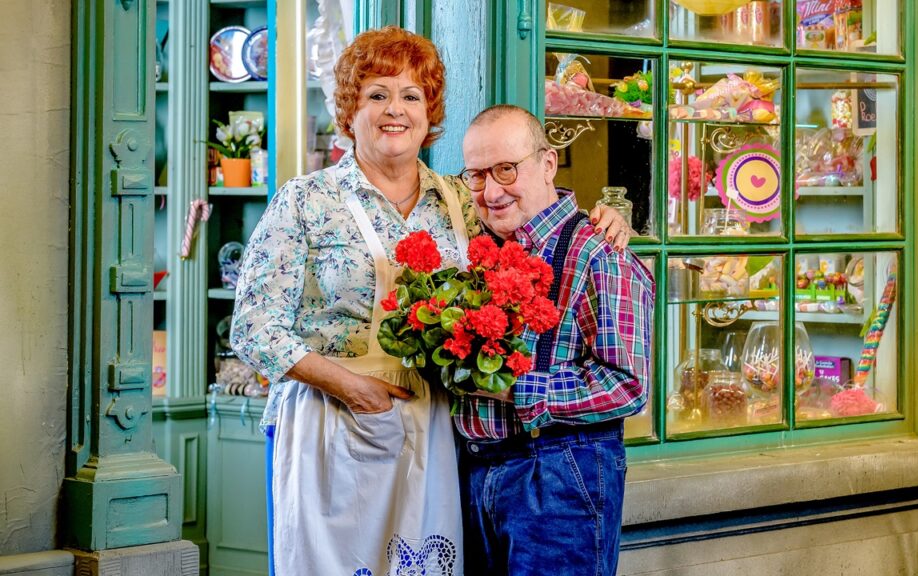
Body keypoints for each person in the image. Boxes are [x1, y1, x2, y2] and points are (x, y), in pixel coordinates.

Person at [230, 28, 629, 576]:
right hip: (330, 422)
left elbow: (530, 213)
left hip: (439, 429)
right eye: (377, 94)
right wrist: (353, 389)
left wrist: (602, 217)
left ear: (428, 112)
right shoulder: (305, 200)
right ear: (350, 111)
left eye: (411, 95)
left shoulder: (461, 198)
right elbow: (253, 327)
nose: (395, 109)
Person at [455, 104, 655, 576]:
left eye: (507, 169)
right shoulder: (475, 253)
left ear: (547, 164)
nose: (492, 191)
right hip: (472, 473)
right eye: (477, 176)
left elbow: (627, 385)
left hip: (558, 475)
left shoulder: (599, 251)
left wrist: (513, 388)